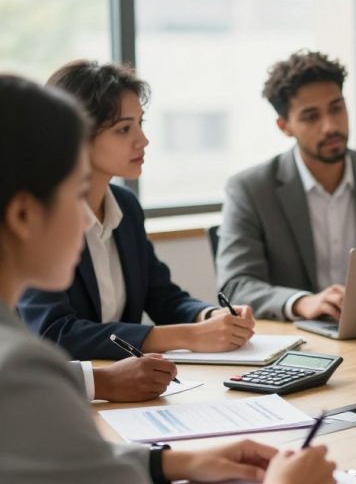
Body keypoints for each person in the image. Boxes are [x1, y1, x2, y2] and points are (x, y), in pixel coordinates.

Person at [0, 73, 336, 484]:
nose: (85, 216)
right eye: (72, 191)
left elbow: (45, 453)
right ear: (21, 215)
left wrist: (173, 461)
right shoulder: (18, 373)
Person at [16, 61, 256, 402]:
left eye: (140, 124)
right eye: (124, 129)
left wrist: (211, 317)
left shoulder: (126, 206)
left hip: (132, 395)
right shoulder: (41, 217)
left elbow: (162, 296)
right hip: (64, 397)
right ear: (78, 135)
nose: (143, 139)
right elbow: (54, 332)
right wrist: (189, 336)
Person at [217, 50, 356, 322]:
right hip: (300, 339)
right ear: (285, 126)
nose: (330, 126)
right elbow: (236, 285)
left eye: (336, 108)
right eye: (311, 116)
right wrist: (302, 302)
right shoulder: (250, 189)